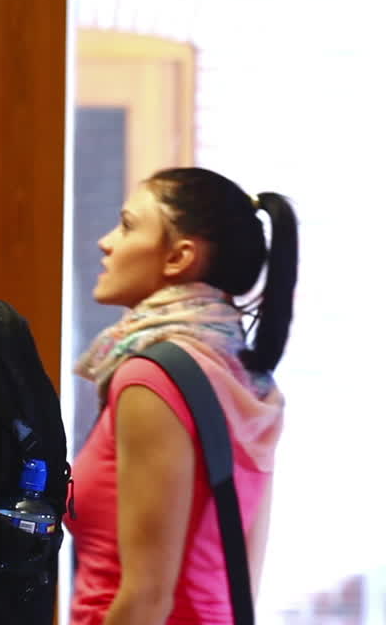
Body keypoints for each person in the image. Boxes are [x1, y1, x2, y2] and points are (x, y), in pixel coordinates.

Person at [66, 167, 298, 624]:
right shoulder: (245, 379)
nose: (106, 242)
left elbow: (147, 598)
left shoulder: (152, 379)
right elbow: (242, 583)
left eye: (128, 225)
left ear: (179, 257)